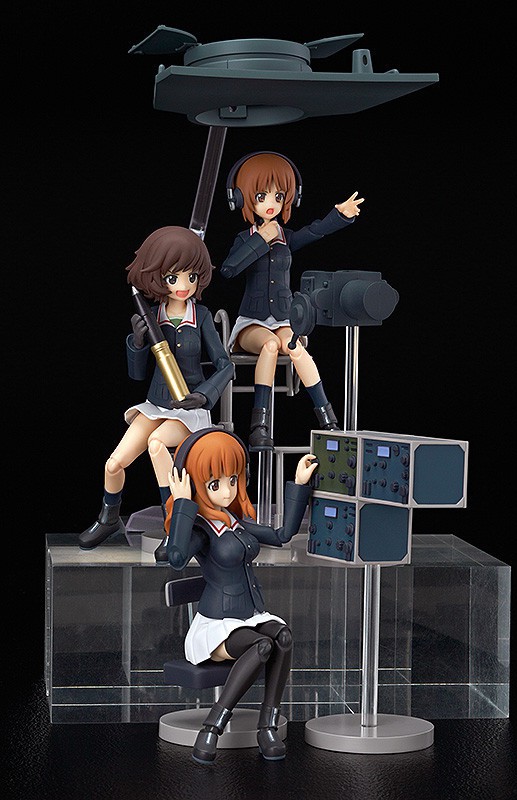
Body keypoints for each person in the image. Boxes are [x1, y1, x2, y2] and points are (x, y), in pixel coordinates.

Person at [162, 428, 318, 763]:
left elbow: (283, 535)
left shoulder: (236, 523)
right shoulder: (201, 530)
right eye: (215, 484)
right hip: (216, 626)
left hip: (250, 615)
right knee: (261, 646)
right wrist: (183, 503)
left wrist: (299, 483)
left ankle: (267, 726)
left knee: (283, 637)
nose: (228, 490)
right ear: (194, 482)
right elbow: (176, 558)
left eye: (232, 480)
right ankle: (212, 727)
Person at [79, 227, 233, 551]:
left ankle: (174, 525)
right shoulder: (152, 316)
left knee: (157, 444)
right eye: (173, 277)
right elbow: (136, 375)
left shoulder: (202, 316)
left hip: (189, 409)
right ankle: (109, 519)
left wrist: (204, 394)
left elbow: (225, 365)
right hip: (156, 404)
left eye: (191, 276)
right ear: (158, 278)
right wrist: (136, 343)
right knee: (114, 463)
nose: (183, 285)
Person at [220, 151, 363, 450]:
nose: (270, 203)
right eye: (261, 196)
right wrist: (260, 239)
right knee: (271, 346)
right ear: (243, 197)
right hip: (252, 322)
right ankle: (259, 425)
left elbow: (315, 231)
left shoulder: (287, 238)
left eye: (278, 195)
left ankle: (328, 419)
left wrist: (339, 214)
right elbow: (229, 270)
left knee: (295, 347)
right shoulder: (244, 239)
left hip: (283, 319)